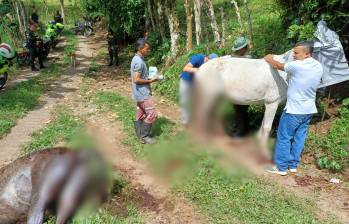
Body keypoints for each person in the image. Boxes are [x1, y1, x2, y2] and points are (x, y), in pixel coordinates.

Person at [264, 41, 323, 176]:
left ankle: (281, 167)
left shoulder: (297, 66)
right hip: (308, 110)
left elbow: (278, 65)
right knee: (299, 137)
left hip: (294, 110)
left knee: (284, 137)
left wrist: (268, 58)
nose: (294, 55)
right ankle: (293, 165)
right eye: (293, 52)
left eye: (297, 53)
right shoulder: (318, 66)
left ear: (307, 53)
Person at [131, 40, 159, 144]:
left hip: (138, 92)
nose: (148, 50)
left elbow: (139, 77)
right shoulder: (139, 61)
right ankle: (144, 136)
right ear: (140, 49)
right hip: (143, 93)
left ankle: (140, 135)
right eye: (147, 49)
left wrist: (149, 77)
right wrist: (150, 80)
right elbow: (136, 79)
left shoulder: (136, 58)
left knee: (141, 112)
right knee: (152, 114)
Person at [179, 53, 218, 125]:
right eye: (211, 62)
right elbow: (185, 68)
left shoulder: (210, 65)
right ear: (207, 58)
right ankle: (185, 122)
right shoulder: (198, 58)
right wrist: (198, 70)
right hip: (185, 80)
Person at [230, 37, 252, 137]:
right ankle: (243, 130)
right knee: (241, 111)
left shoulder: (246, 59)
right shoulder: (247, 58)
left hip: (240, 89)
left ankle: (240, 132)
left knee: (239, 110)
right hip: (240, 88)